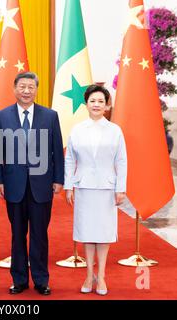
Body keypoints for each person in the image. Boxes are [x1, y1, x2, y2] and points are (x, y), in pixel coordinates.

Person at [0, 72, 64, 296]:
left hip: (42, 186)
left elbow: (57, 151)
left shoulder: (50, 116)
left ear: (36, 90)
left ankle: (41, 280)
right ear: (14, 89)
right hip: (13, 185)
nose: (26, 91)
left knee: (40, 235)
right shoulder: (2, 116)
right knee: (17, 234)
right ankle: (19, 280)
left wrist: (58, 179)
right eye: (22, 87)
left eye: (30, 87)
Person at [64, 84, 127, 296]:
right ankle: (88, 274)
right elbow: (70, 159)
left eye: (101, 101)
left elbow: (122, 161)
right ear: (86, 104)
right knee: (87, 232)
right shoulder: (78, 129)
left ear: (107, 105)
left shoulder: (115, 130)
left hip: (107, 189)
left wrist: (121, 188)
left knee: (103, 233)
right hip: (83, 187)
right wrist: (68, 186)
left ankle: (101, 276)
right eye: (93, 101)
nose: (97, 105)